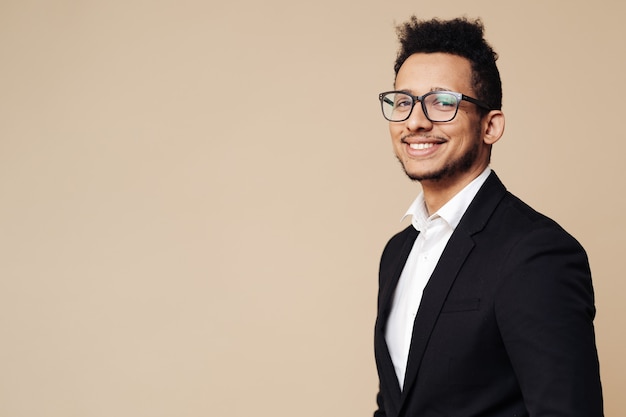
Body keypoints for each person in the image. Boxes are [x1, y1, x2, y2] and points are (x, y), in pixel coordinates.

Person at [373, 17, 603, 417]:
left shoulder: (536, 253)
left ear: (491, 126)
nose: (415, 121)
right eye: (403, 101)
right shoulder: (398, 252)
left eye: (442, 102)